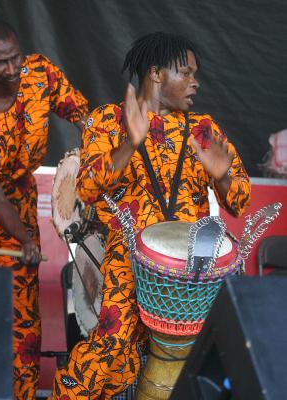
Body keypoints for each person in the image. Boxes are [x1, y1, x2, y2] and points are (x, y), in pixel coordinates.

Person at [52, 31, 251, 399]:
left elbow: (239, 200)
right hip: (126, 264)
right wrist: (130, 142)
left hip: (189, 272)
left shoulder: (203, 130)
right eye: (186, 73)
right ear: (156, 74)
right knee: (110, 353)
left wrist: (222, 176)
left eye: (196, 74)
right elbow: (87, 188)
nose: (196, 82)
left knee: (197, 364)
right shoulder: (109, 120)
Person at [0, 20, 89, 400]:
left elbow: (83, 114)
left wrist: (96, 154)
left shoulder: (39, 74)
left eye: (15, 58)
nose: (13, 70)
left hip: (19, 206)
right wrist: (25, 239)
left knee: (23, 323)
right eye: (1, 63)